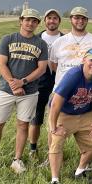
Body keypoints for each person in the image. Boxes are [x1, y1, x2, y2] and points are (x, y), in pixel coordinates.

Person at [0, 9, 48, 174]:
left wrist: (22, 82)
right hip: (5, 90)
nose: (30, 23)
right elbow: (2, 64)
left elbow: (42, 68)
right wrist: (13, 84)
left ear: (38, 24)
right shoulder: (8, 39)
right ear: (21, 21)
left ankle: (17, 160)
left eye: (34, 21)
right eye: (27, 20)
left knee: (23, 124)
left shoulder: (41, 44)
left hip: (29, 91)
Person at [47, 49, 92, 184]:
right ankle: (55, 180)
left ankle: (80, 171)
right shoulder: (73, 75)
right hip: (63, 112)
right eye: (91, 60)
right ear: (84, 60)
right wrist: (53, 127)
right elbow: (56, 102)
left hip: (85, 112)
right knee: (56, 142)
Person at [28, 9, 64, 160]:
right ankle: (33, 148)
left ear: (59, 21)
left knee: (57, 119)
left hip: (59, 83)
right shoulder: (36, 39)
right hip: (40, 83)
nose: (52, 21)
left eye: (55, 18)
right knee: (36, 117)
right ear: (45, 20)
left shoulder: (65, 39)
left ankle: (53, 150)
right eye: (49, 18)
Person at [49, 6, 92, 90]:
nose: (80, 21)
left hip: (85, 92)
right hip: (61, 90)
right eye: (77, 18)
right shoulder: (59, 42)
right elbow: (53, 65)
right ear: (70, 19)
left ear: (87, 20)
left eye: (83, 18)